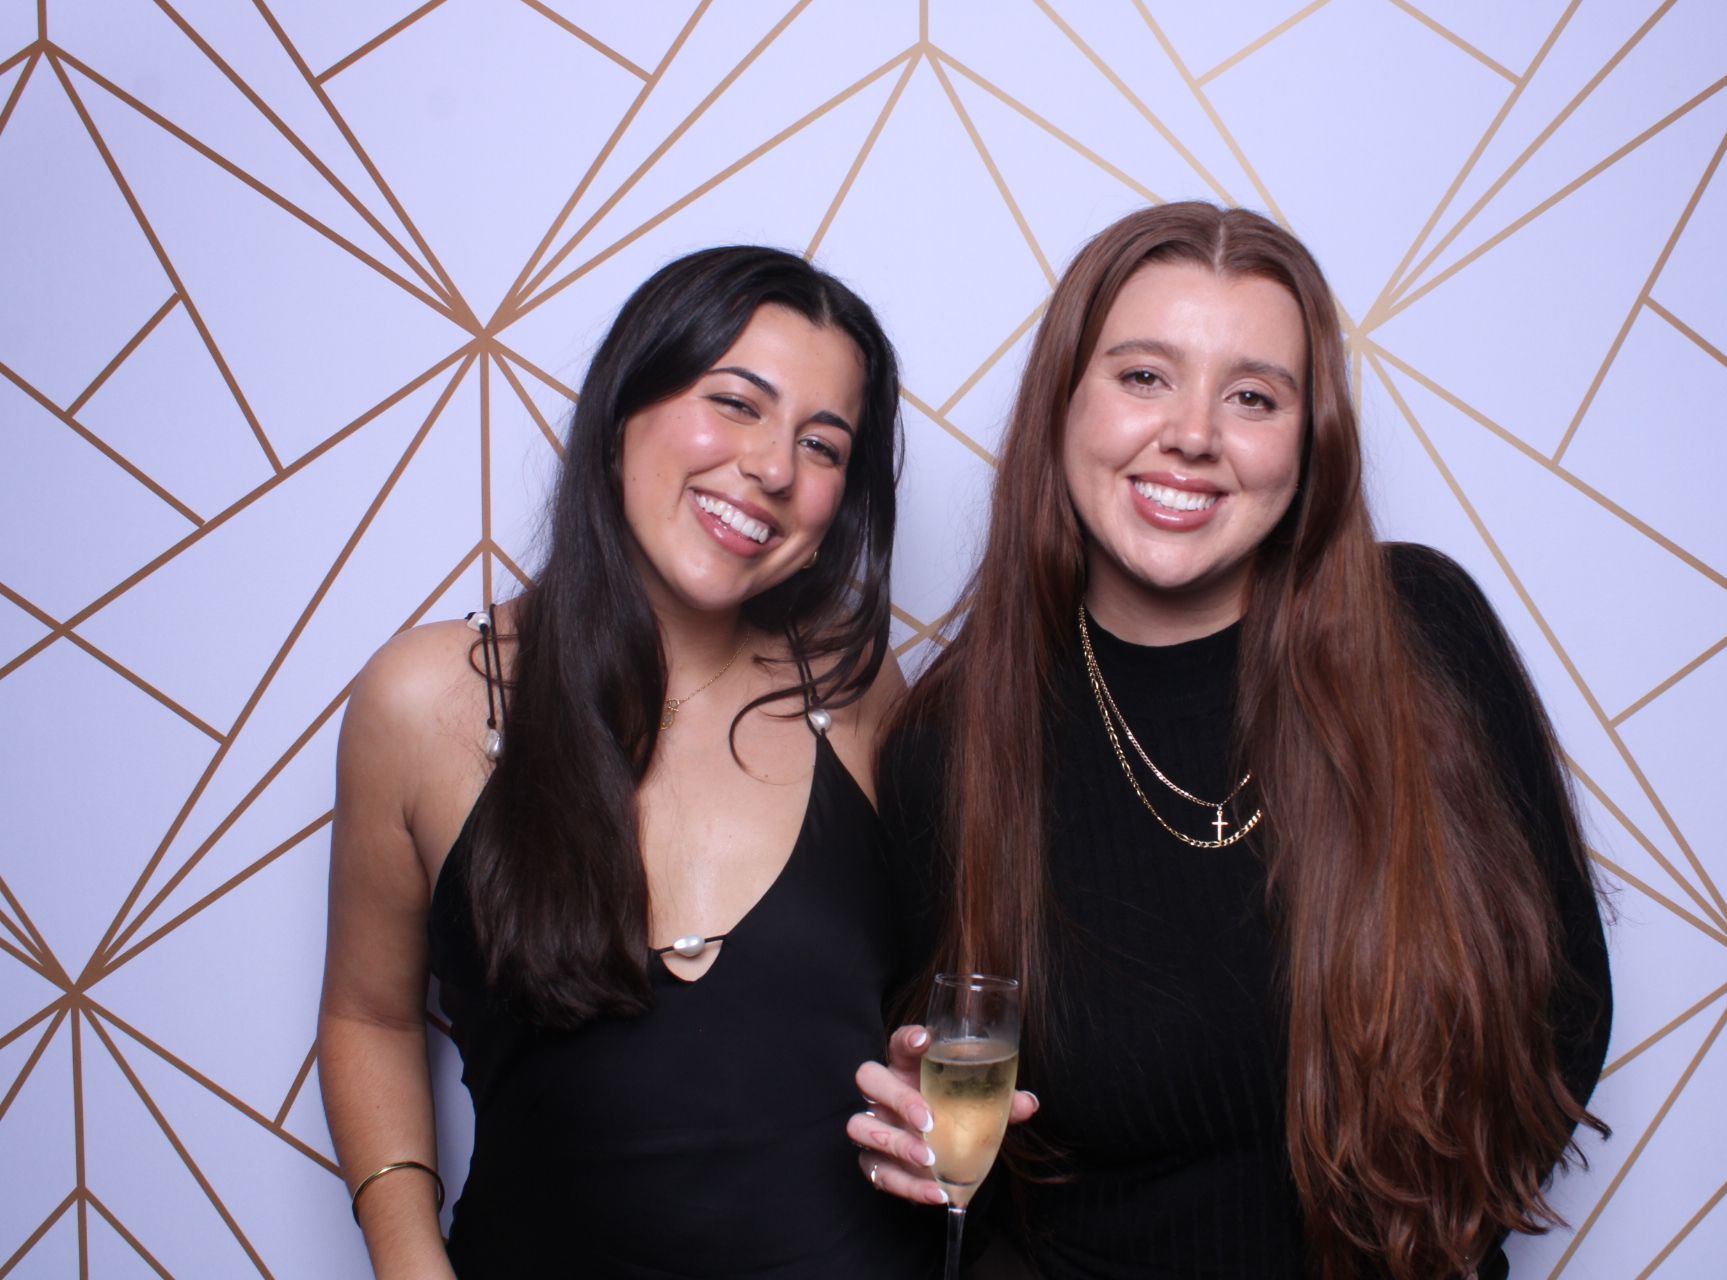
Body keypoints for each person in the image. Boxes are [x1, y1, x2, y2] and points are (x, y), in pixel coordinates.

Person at [850, 204, 1612, 1280]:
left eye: (1253, 394)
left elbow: (1564, 1012)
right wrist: (919, 1139)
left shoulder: (1424, 631)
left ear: (1310, 444)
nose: (1194, 433)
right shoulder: (956, 739)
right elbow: (968, 1150)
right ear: (1063, 402)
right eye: (1144, 376)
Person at [319, 246, 936, 1277]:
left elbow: (928, 997)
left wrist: (925, 1081)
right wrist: (408, 1259)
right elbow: (368, 1014)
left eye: (823, 444)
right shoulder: (424, 699)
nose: (774, 466)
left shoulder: (861, 692)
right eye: (736, 402)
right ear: (621, 415)